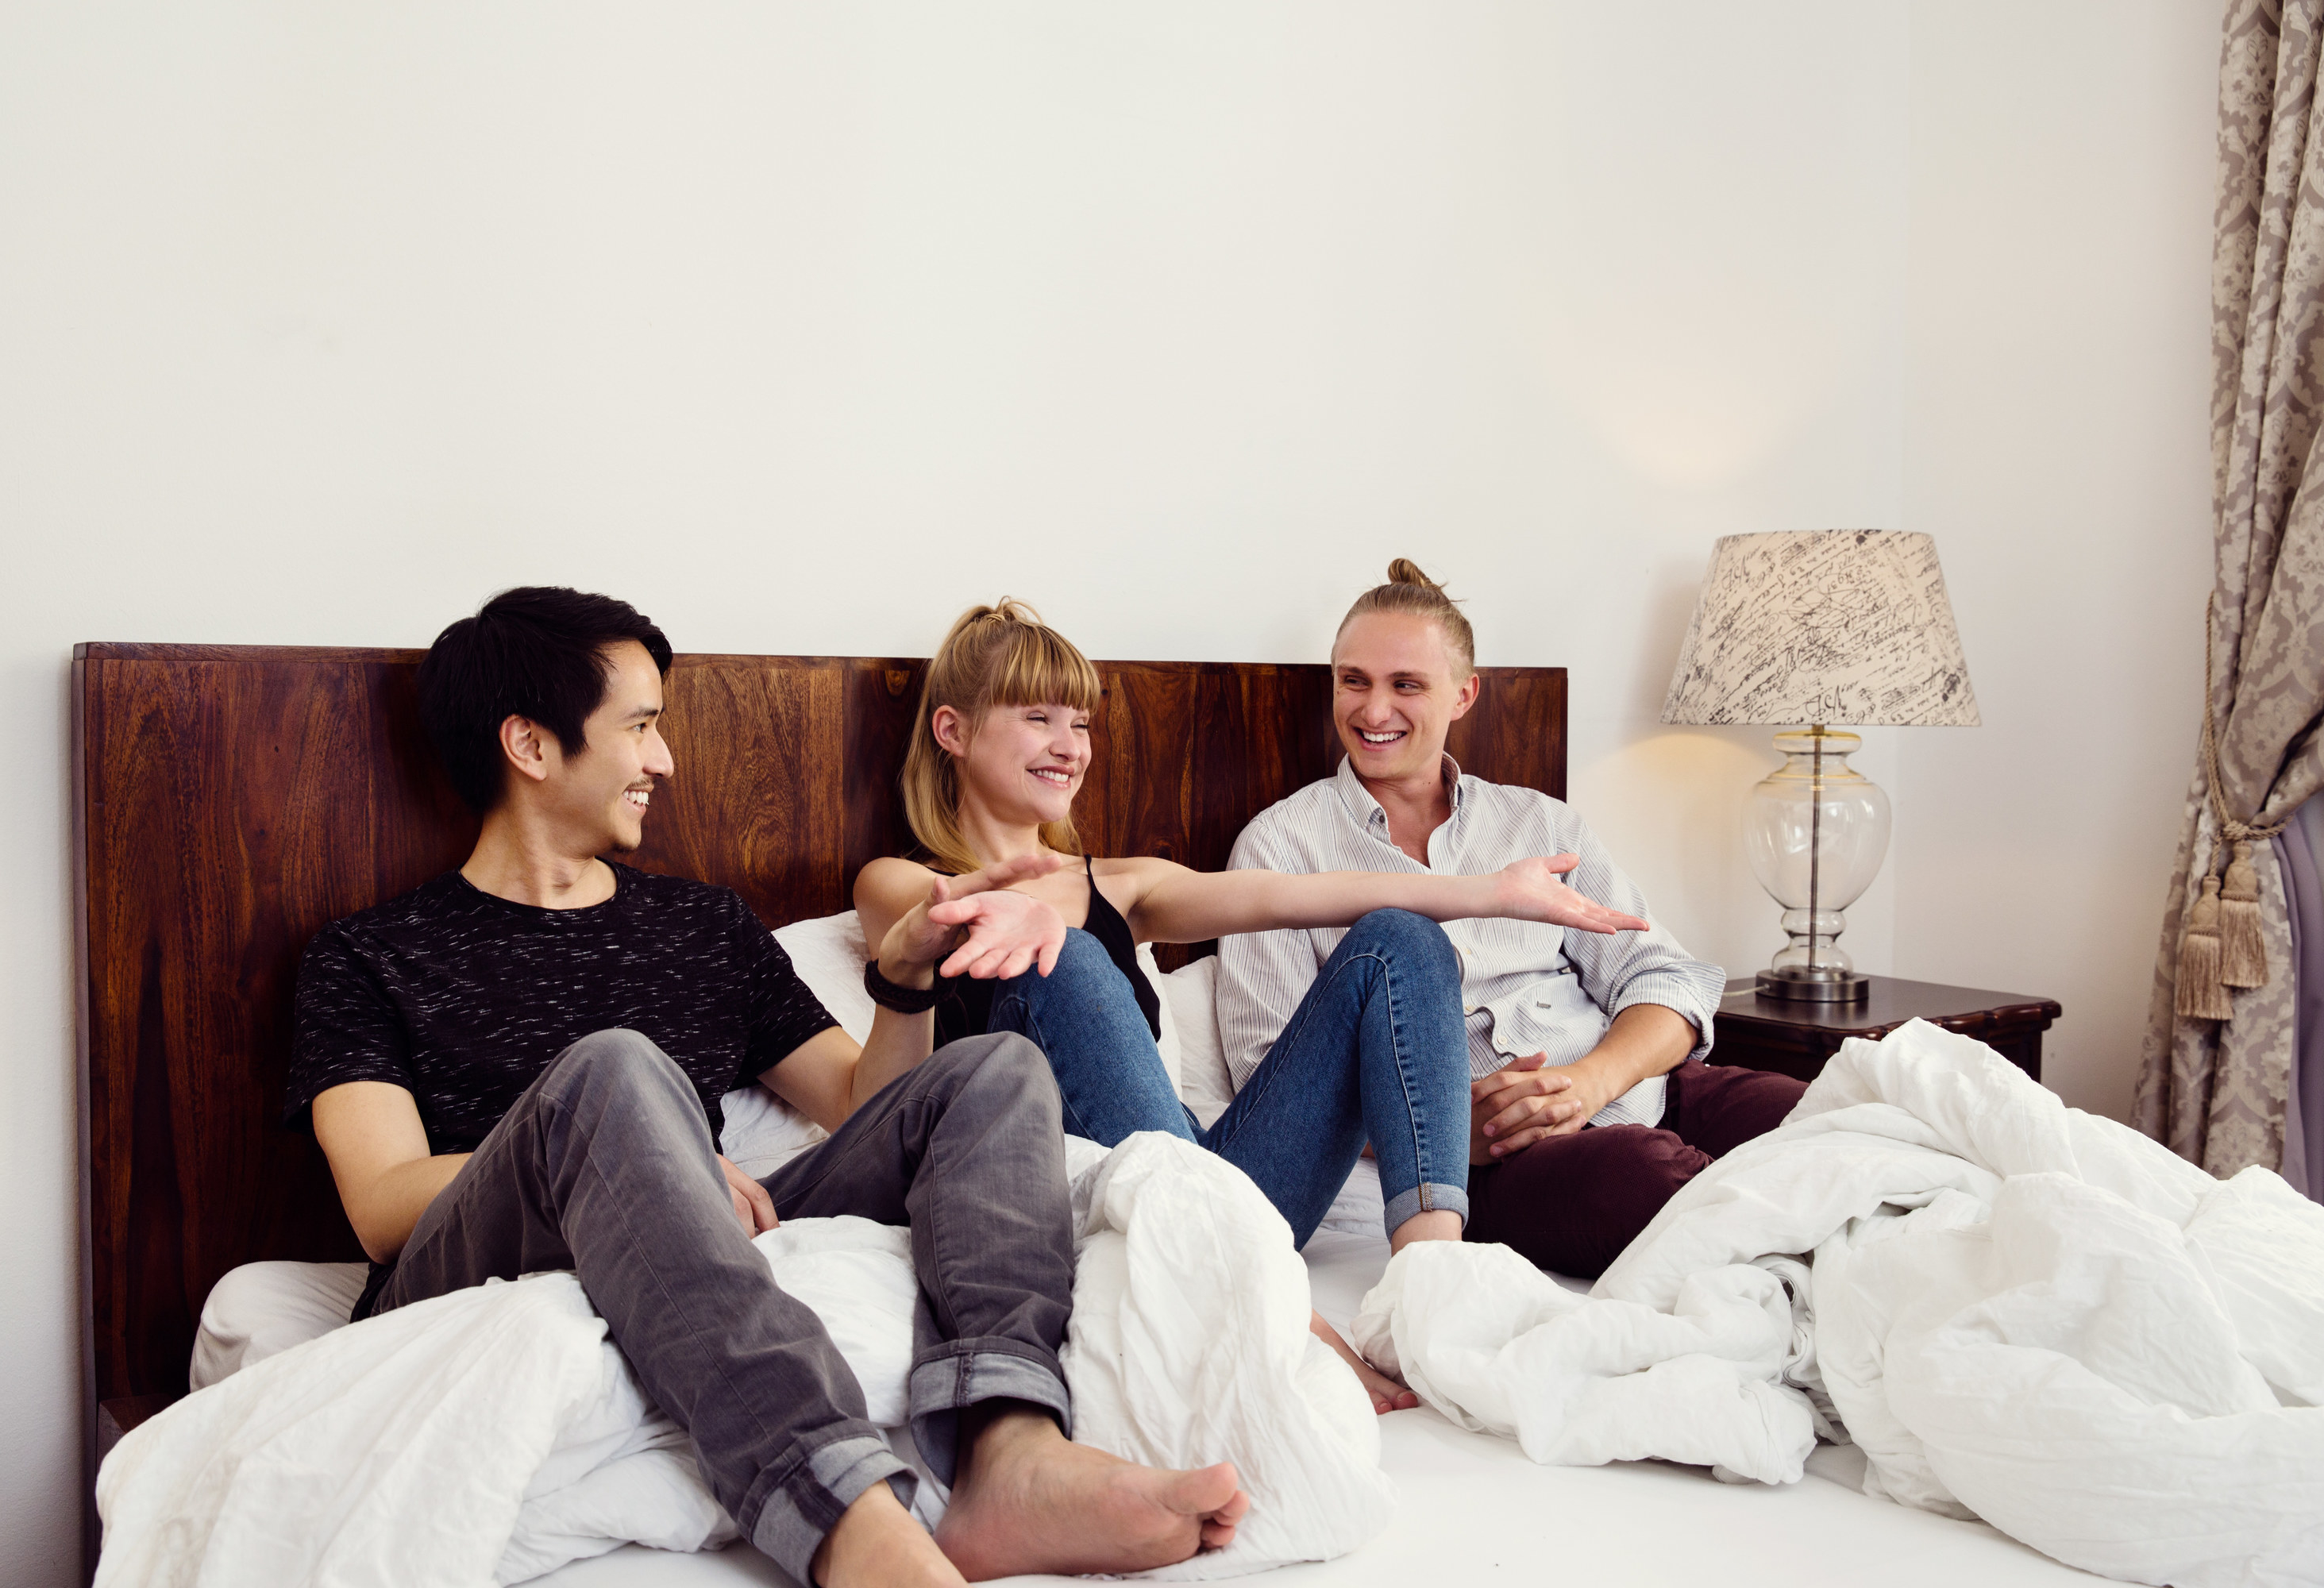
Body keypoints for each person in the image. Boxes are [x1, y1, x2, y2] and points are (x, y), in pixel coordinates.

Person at [283, 587, 1248, 1588]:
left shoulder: (701, 926)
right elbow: (382, 1205)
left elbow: (865, 1104)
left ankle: (1011, 1452)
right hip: (485, 1248)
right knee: (616, 1071)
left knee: (995, 1071)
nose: (664, 758)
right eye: (642, 726)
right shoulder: (373, 952)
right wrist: (642, 1146)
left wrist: (904, 976)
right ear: (531, 745)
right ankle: (845, 1516)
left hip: (703, 1223)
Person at [855, 599, 1648, 1411]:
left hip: (1212, 1182)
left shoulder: (1121, 882)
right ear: (952, 731)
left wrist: (1486, 890)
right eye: (1038, 717)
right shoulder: (896, 883)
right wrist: (1002, 911)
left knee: (1399, 935)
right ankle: (1288, 1314)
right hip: (1086, 1205)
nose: (1070, 745)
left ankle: (1428, 1286)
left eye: (1080, 722)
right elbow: (922, 925)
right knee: (1069, 959)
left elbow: (1292, 893)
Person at [1216, 560, 1809, 1281]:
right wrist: (1433, 1130)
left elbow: (1665, 975)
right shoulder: (1279, 849)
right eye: (1354, 681)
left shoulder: (1539, 821)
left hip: (1633, 1087)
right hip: (1497, 1155)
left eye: (1406, 685)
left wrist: (1591, 1080)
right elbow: (1272, 1074)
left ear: (1464, 694)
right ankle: (1812, 1254)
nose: (1373, 712)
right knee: (1649, 1179)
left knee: (1831, 1115)